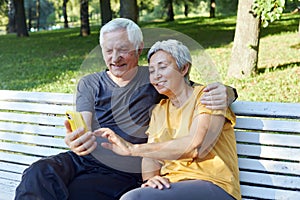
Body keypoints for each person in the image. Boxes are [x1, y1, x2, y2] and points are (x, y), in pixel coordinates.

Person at [15, 18, 238, 200]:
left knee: (79, 193)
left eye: (123, 50)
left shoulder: (154, 82)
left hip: (122, 171)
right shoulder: (91, 83)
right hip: (85, 160)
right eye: (108, 50)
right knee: (37, 173)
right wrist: (78, 138)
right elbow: (82, 123)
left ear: (138, 49)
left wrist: (227, 92)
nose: (115, 58)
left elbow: (190, 89)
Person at [97, 39, 241, 200]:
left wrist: (132, 149)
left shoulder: (208, 97)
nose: (156, 75)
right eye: (151, 70)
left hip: (214, 184)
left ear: (184, 68)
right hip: (172, 186)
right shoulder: (160, 109)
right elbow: (151, 157)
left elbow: (195, 146)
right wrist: (151, 179)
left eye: (163, 67)